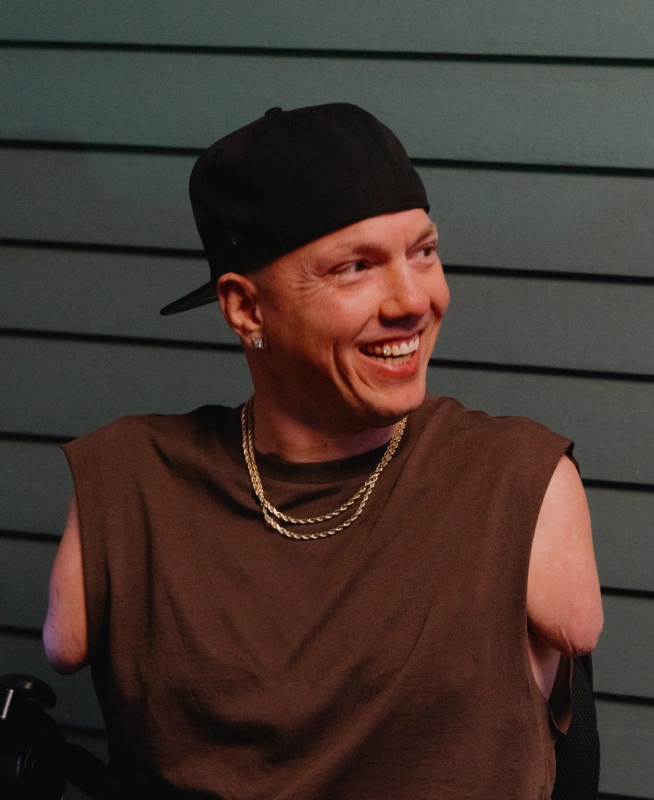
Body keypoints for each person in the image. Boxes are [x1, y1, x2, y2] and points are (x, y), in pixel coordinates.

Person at [43, 103, 603, 799]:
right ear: (246, 309)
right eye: (354, 267)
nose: (413, 300)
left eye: (423, 251)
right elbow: (64, 642)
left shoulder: (519, 479)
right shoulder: (127, 480)